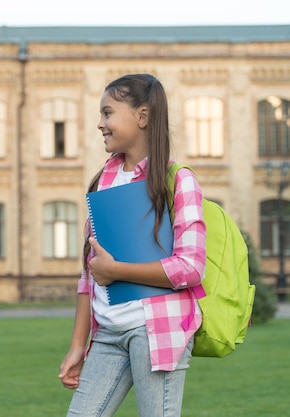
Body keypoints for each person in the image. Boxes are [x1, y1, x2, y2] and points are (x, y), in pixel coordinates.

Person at [58, 74, 206, 417]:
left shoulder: (177, 181)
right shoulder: (103, 181)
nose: (100, 124)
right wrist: (78, 345)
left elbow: (191, 268)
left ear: (142, 116)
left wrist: (116, 271)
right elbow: (88, 274)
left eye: (108, 113)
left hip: (156, 333)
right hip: (107, 333)